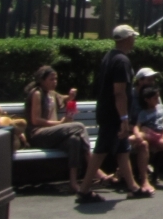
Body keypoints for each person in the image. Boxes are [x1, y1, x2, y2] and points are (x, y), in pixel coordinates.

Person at [76, 25, 152, 204]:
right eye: (132, 37)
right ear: (126, 39)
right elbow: (119, 92)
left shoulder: (109, 57)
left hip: (106, 110)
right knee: (102, 150)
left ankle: (133, 187)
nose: (134, 40)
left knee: (122, 150)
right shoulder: (122, 61)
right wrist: (124, 119)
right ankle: (84, 189)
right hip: (114, 115)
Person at [24, 66, 109, 194]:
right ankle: (94, 167)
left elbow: (63, 99)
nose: (55, 82)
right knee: (79, 126)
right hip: (38, 134)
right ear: (42, 80)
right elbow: (35, 120)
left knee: (74, 140)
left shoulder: (52, 94)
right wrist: (59, 123)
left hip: (53, 135)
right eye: (51, 79)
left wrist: (70, 96)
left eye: (56, 79)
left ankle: (73, 183)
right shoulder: (37, 93)